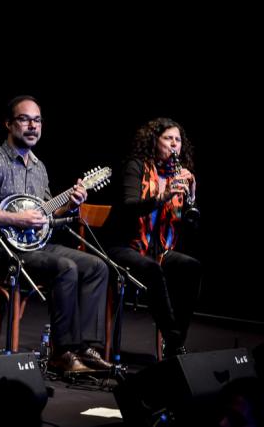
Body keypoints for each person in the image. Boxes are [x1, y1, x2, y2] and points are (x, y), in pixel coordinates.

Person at [0, 95, 111, 372]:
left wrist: (69, 205)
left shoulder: (39, 168)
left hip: (34, 249)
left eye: (37, 120)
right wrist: (15, 218)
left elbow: (47, 218)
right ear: (9, 124)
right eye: (24, 119)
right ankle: (61, 353)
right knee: (65, 267)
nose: (32, 126)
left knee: (96, 266)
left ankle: (85, 346)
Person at [107, 117, 202, 358]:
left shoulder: (178, 174)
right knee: (152, 269)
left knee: (191, 267)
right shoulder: (136, 166)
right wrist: (161, 197)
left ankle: (174, 342)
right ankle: (174, 340)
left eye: (178, 140)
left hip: (160, 249)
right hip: (124, 245)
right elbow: (129, 207)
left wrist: (191, 196)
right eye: (168, 138)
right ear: (154, 141)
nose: (174, 145)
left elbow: (188, 226)